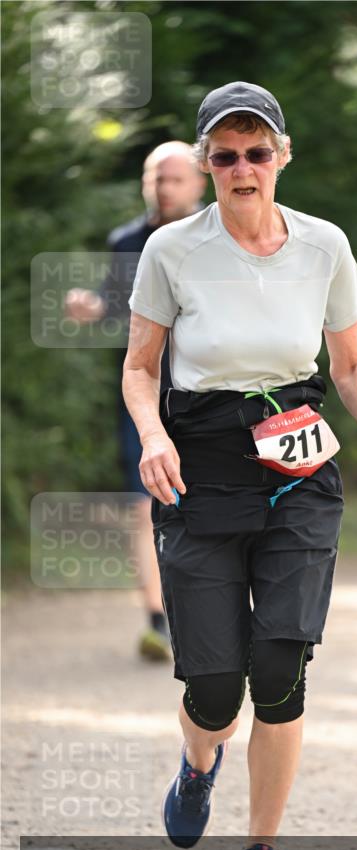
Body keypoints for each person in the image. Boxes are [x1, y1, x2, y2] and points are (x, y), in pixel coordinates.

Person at [122, 81, 357, 850]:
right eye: (225, 155)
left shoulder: (323, 245)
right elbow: (141, 368)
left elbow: (350, 363)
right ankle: (196, 762)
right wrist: (151, 437)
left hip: (298, 470)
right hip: (200, 469)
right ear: (206, 163)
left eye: (256, 152)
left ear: (281, 156)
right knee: (213, 689)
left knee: (280, 667)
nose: (241, 168)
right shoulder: (171, 250)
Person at [66, 143, 207, 659]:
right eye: (155, 178)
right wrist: (92, 307)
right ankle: (158, 621)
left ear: (198, 183)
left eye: (173, 179)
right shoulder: (126, 241)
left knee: (206, 497)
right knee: (145, 502)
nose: (162, 187)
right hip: (145, 394)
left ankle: (208, 612)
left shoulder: (215, 238)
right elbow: (118, 310)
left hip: (207, 392)